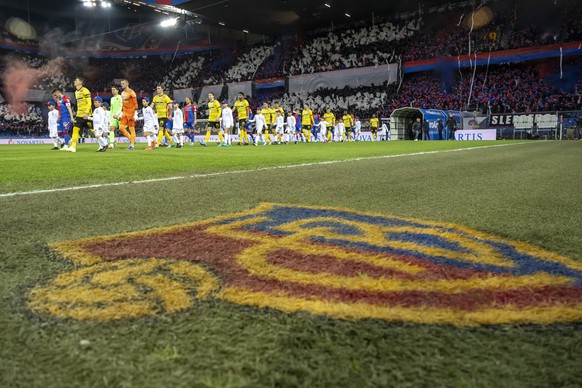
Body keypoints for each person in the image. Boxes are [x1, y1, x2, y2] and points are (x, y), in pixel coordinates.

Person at [65, 77, 92, 153]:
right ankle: (73, 147)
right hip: (79, 115)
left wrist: (87, 112)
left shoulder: (85, 90)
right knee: (75, 129)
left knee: (94, 130)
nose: (74, 81)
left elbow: (89, 102)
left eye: (76, 80)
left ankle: (103, 143)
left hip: (87, 114)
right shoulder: (76, 92)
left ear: (80, 82)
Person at [120, 78, 138, 150]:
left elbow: (135, 103)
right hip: (124, 113)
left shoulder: (131, 92)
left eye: (123, 83)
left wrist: (135, 113)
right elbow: (123, 104)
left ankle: (132, 145)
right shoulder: (122, 93)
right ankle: (132, 140)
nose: (122, 85)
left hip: (131, 113)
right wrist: (121, 112)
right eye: (121, 84)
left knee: (131, 129)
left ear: (127, 84)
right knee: (121, 128)